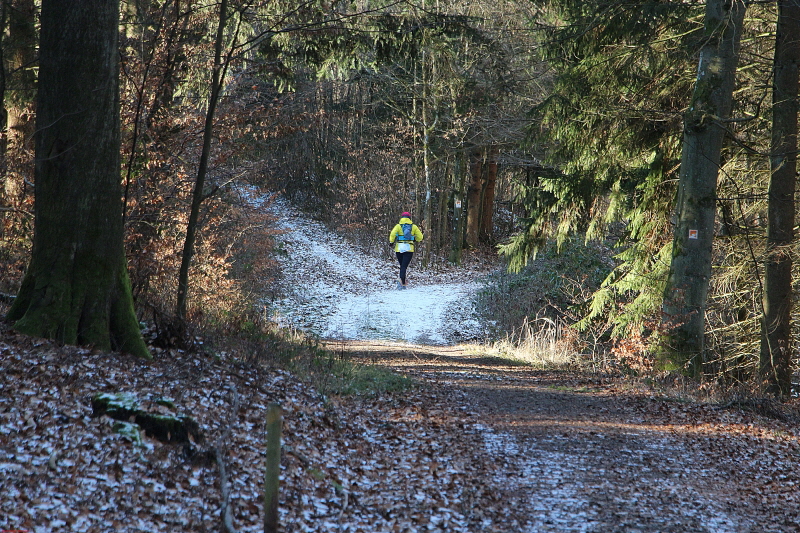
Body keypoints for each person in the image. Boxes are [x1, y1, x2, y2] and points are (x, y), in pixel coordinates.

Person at [389, 211, 424, 289]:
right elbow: (420, 237)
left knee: (402, 266)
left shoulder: (398, 226)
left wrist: (391, 242)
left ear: (402, 218)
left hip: (399, 248)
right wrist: (414, 239)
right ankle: (402, 283)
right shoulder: (413, 227)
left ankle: (402, 283)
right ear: (409, 218)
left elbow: (392, 234)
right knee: (404, 266)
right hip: (409, 248)